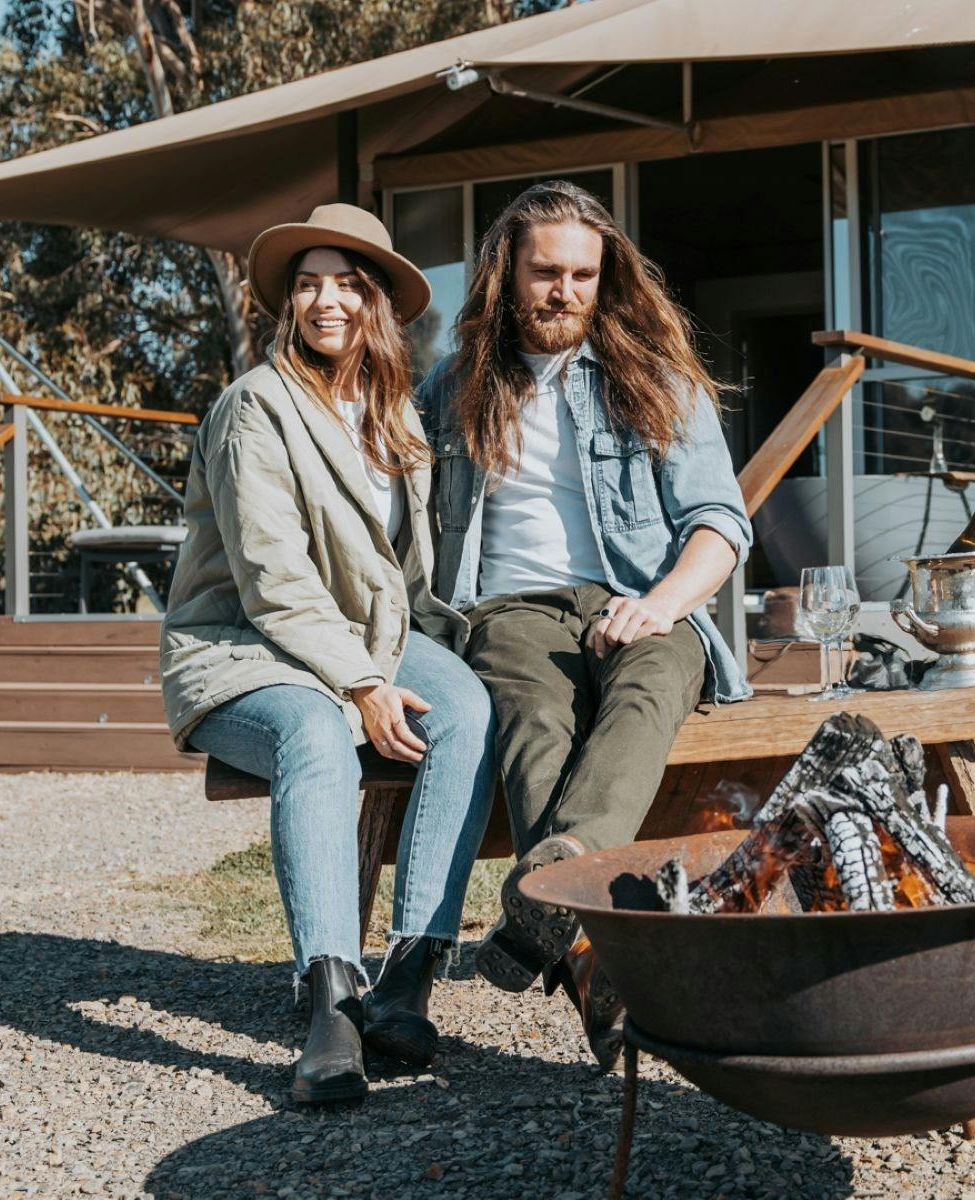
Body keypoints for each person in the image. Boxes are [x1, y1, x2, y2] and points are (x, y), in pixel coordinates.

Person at [161, 204, 497, 1105]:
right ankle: (331, 1004)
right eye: (308, 283)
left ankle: (408, 978)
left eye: (346, 283)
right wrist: (360, 685)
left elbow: (408, 573)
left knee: (466, 709)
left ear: (377, 301)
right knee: (314, 732)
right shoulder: (253, 411)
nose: (325, 300)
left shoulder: (395, 413)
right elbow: (272, 582)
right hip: (244, 647)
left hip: (364, 638)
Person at [417, 181, 752, 1069]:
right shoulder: (450, 391)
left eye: (582, 275)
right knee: (532, 726)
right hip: (511, 609)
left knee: (647, 693)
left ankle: (550, 891)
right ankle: (598, 952)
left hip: (642, 596)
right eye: (545, 272)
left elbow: (720, 524)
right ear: (504, 274)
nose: (564, 290)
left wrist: (663, 602)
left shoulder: (655, 379)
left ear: (605, 279)